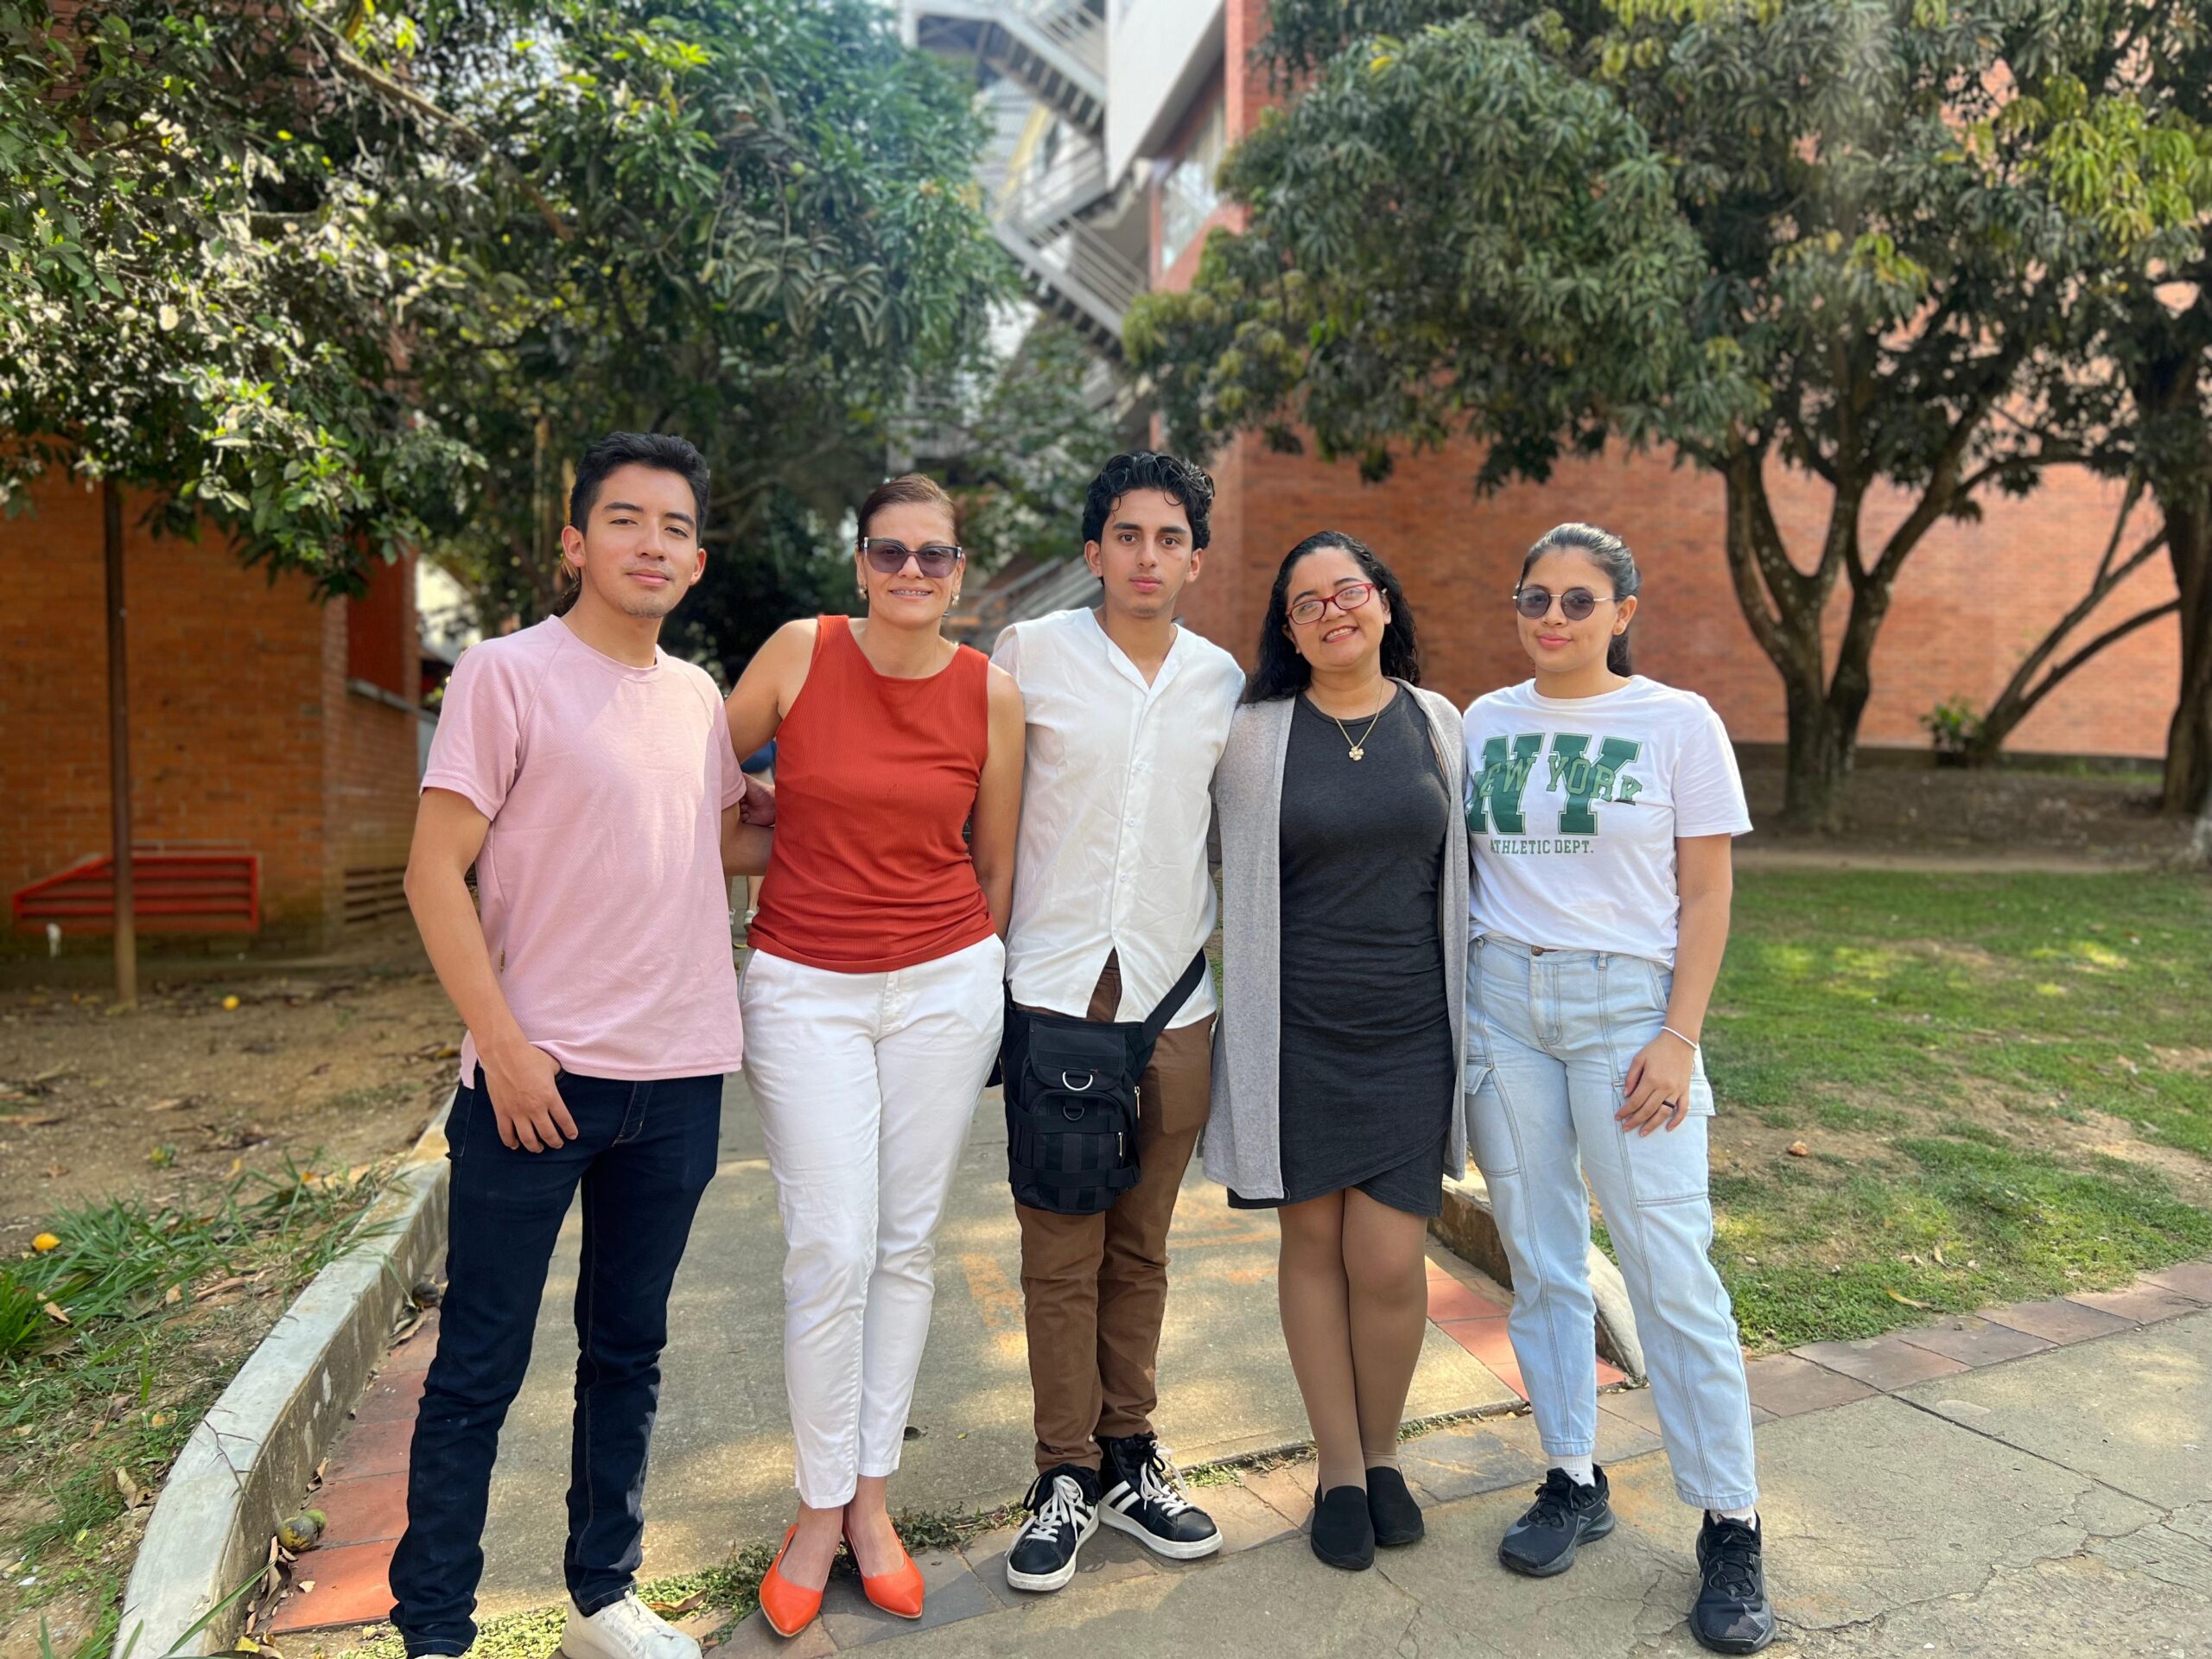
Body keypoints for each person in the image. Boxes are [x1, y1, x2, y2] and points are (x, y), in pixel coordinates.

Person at [391, 432, 770, 1659]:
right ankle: (434, 1629)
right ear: (576, 540)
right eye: (624, 519)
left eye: (672, 527)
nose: (649, 543)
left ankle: (603, 1596)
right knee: (479, 1367)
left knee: (628, 1353)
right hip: (533, 1085)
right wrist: (500, 1045)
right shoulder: (505, 677)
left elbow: (721, 841)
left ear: (697, 559)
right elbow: (432, 870)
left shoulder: (701, 696)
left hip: (676, 1084)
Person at [721, 474, 1024, 1639]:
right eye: (890, 553)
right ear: (858, 564)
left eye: (934, 557)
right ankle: (814, 1509)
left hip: (946, 986)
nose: (911, 573)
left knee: (903, 1244)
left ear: (961, 571)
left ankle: (873, 1506)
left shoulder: (991, 694)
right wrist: (756, 832)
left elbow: (992, 864)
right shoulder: (800, 653)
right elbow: (695, 776)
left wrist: (973, 962)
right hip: (806, 989)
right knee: (828, 1247)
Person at [1462, 524, 1773, 1654]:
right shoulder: (1486, 722)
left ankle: (1730, 1523)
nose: (1552, 618)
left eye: (1579, 602)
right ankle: (1571, 1476)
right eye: (1533, 597)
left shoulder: (1677, 724)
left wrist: (1680, 1036)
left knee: (1670, 1268)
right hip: (1502, 1010)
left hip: (1626, 1017)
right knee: (1543, 1262)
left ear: (1623, 612)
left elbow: (1708, 893)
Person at [989, 453, 1244, 1592]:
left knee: (1143, 1246)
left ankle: (1131, 1455)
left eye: (1169, 537)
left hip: (1178, 1003)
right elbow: (983, 817)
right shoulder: (1031, 656)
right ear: (1094, 553)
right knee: (1062, 1255)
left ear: (1195, 556)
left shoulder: (1222, 682)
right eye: (1126, 536)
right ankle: (1061, 1473)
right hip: (1057, 997)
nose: (1148, 555)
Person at [1205, 531, 1471, 1573]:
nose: (1330, 612)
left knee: (1388, 1259)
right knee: (1312, 1249)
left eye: (1346, 590)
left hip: (1412, 1030)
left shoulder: (1438, 726)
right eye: (1304, 602)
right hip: (1295, 1032)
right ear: (1286, 629)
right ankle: (1340, 1471)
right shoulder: (1253, 735)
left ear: (1383, 602)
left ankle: (1384, 1446)